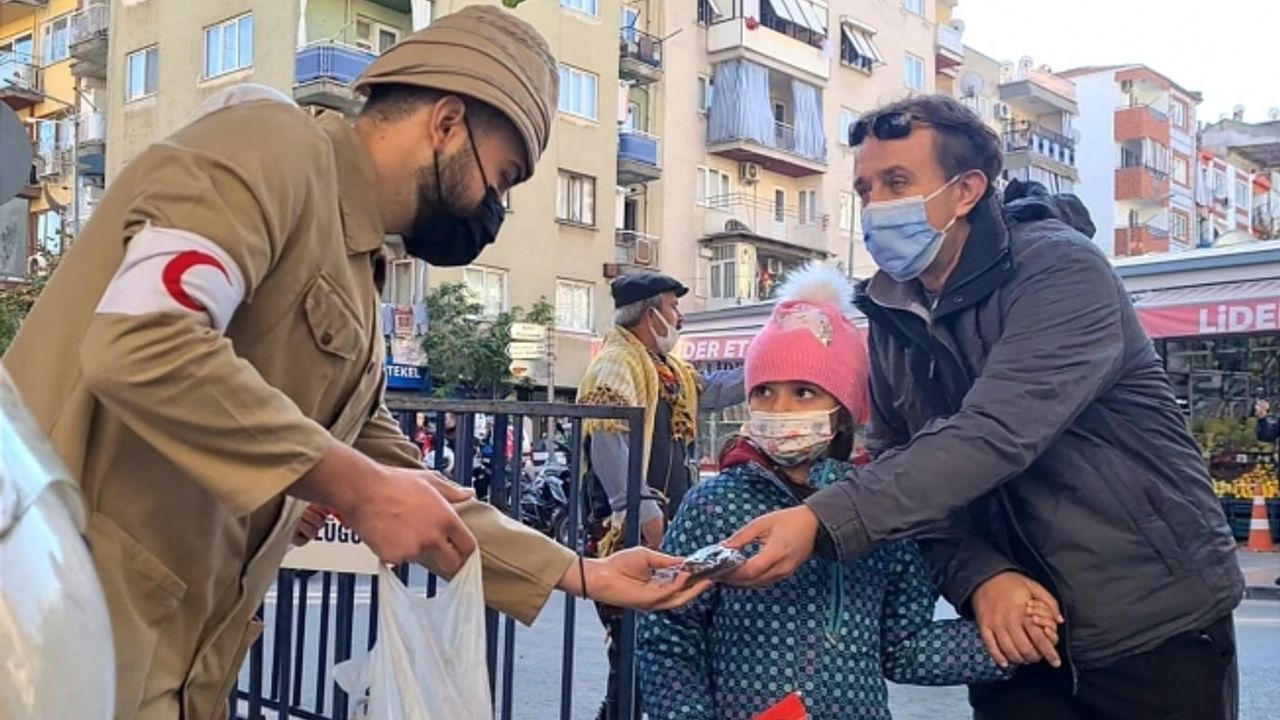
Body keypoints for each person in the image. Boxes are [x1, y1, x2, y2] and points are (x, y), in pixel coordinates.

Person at [1, 9, 708, 720]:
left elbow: (407, 483)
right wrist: (356, 487)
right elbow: (144, 341)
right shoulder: (269, 145)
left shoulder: (359, 279)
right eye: (503, 176)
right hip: (47, 625)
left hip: (163, 661)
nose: (497, 208)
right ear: (447, 122)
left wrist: (579, 573)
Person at [722, 95, 1244, 719]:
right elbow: (907, 465)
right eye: (864, 189)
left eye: (897, 182)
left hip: (1152, 622)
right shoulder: (891, 314)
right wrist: (978, 577)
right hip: (1011, 634)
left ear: (966, 189)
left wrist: (820, 519)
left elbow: (994, 433)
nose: (876, 207)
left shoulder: (1060, 271)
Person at [638, 264, 1059, 719]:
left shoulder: (880, 516)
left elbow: (905, 646)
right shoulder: (713, 506)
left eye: (803, 392)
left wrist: (1007, 641)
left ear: (843, 410)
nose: (779, 409)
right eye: (763, 391)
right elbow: (669, 635)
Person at [576, 271, 746, 720]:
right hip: (628, 535)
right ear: (652, 314)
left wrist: (770, 362)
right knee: (631, 651)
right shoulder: (618, 362)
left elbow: (717, 392)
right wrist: (639, 508)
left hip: (659, 534)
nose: (681, 317)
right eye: (673, 307)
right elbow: (608, 436)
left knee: (646, 651)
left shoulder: (669, 370)